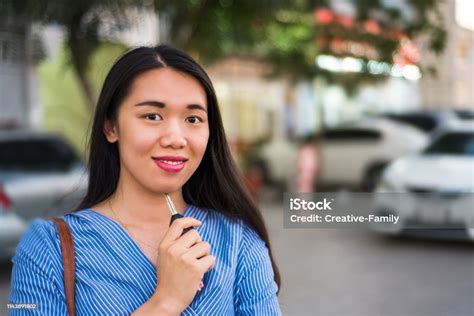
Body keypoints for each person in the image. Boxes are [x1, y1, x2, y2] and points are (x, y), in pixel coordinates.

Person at [9, 45, 281, 315]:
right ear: (111, 127)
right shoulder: (46, 249)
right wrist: (165, 302)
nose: (175, 138)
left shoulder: (238, 242)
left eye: (193, 118)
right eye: (152, 116)